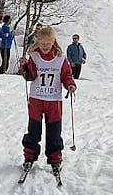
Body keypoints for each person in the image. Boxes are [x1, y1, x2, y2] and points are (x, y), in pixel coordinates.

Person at [18, 26, 77, 178]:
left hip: (53, 100)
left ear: (53, 42)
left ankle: (55, 159)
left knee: (54, 132)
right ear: (38, 42)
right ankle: (29, 157)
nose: (45, 47)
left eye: (48, 44)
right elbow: (30, 76)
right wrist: (24, 66)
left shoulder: (60, 58)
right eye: (42, 44)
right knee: (34, 130)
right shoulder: (35, 56)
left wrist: (70, 84)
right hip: (37, 98)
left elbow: (66, 75)